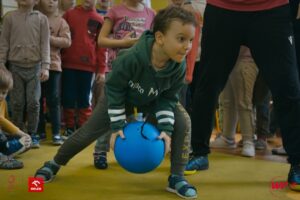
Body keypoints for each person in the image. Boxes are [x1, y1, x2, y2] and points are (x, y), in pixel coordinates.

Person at [34, 6, 198, 199]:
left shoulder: (178, 67)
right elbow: (114, 89)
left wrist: (167, 131)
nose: (187, 46)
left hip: (153, 98)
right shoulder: (131, 58)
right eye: (181, 39)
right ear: (160, 38)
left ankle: (177, 177)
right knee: (87, 133)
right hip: (119, 96)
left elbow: (168, 99)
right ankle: (54, 163)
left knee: (183, 120)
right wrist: (118, 125)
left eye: (190, 40)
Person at [185, 0, 300, 191]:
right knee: (207, 84)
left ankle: (298, 162)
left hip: (272, 10)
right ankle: (198, 152)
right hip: (222, 9)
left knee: (288, 88)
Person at [93, 0, 155, 169]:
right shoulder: (114, 11)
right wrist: (123, 44)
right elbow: (102, 40)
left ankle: (131, 150)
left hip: (140, 74)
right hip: (116, 72)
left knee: (134, 115)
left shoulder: (151, 14)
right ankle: (100, 150)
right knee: (110, 112)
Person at [0, 0, 50, 148]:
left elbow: (45, 43)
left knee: (34, 102)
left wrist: (46, 66)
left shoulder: (42, 19)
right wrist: (1, 64)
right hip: (15, 67)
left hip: (35, 67)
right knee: (17, 103)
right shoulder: (9, 17)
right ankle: (17, 134)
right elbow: (4, 42)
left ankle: (32, 134)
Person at [60, 0, 106, 140]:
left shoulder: (99, 19)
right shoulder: (69, 14)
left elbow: (101, 47)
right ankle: (69, 126)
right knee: (68, 96)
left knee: (85, 98)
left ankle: (82, 127)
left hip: (88, 67)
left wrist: (101, 69)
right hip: (67, 64)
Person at [210, 46, 258, 157]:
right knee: (227, 101)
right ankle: (227, 138)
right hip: (227, 59)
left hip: (245, 58)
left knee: (244, 102)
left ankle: (248, 141)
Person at [37, 0, 71, 145]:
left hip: (54, 65)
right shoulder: (35, 17)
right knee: (36, 99)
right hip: (34, 65)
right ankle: (39, 131)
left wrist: (49, 39)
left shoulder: (61, 21)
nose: (51, 1)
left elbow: (67, 41)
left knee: (54, 99)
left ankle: (56, 133)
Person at [0, 67, 32, 169]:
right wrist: (20, 133)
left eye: (4, 93)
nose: (1, 96)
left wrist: (18, 136)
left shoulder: (3, 102)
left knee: (24, 141)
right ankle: (3, 157)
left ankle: (6, 151)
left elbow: (5, 122)